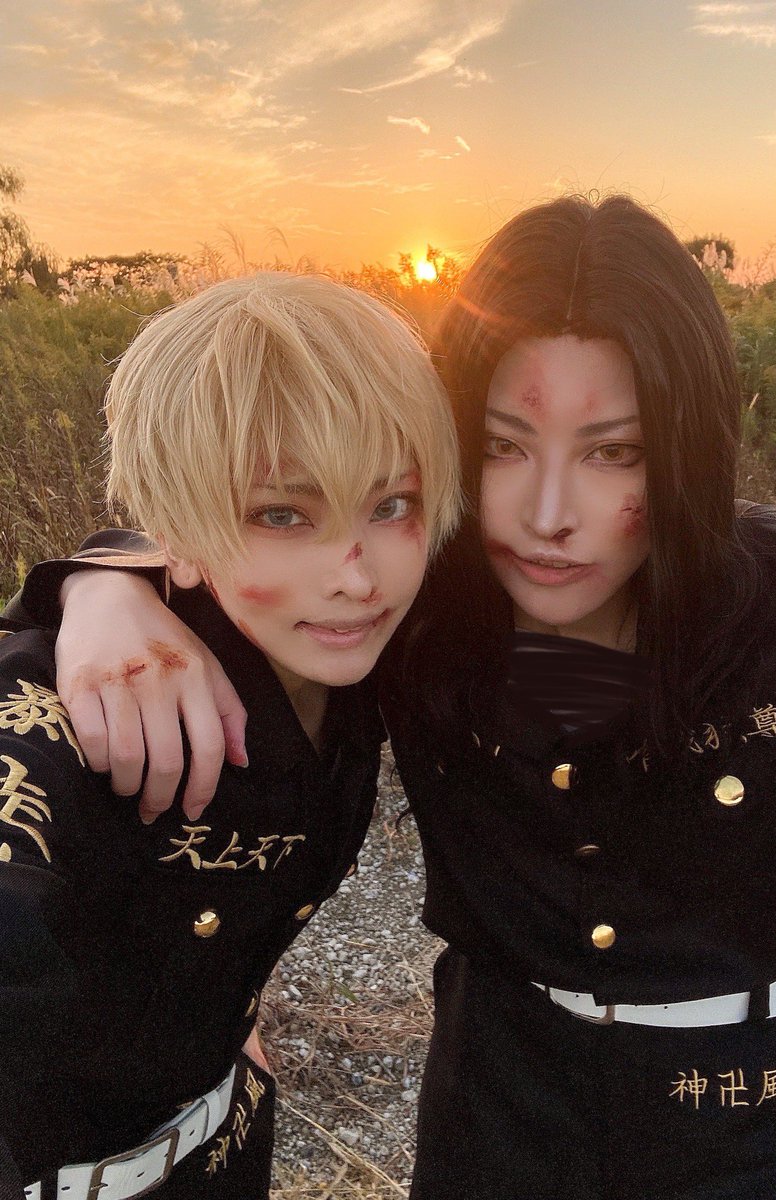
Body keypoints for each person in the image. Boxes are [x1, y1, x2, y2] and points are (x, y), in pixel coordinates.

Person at [8, 194, 776, 1198]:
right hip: (499, 1108)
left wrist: (100, 582)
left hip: (754, 1115)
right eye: (501, 446)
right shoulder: (417, 608)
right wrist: (103, 585)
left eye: (614, 452)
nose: (549, 516)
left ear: (687, 444)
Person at [0, 271, 460, 1200]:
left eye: (390, 504)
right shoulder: (70, 719)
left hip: (228, 1144)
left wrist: (223, 1020)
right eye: (281, 514)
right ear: (175, 522)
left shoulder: (368, 653)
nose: (356, 576)